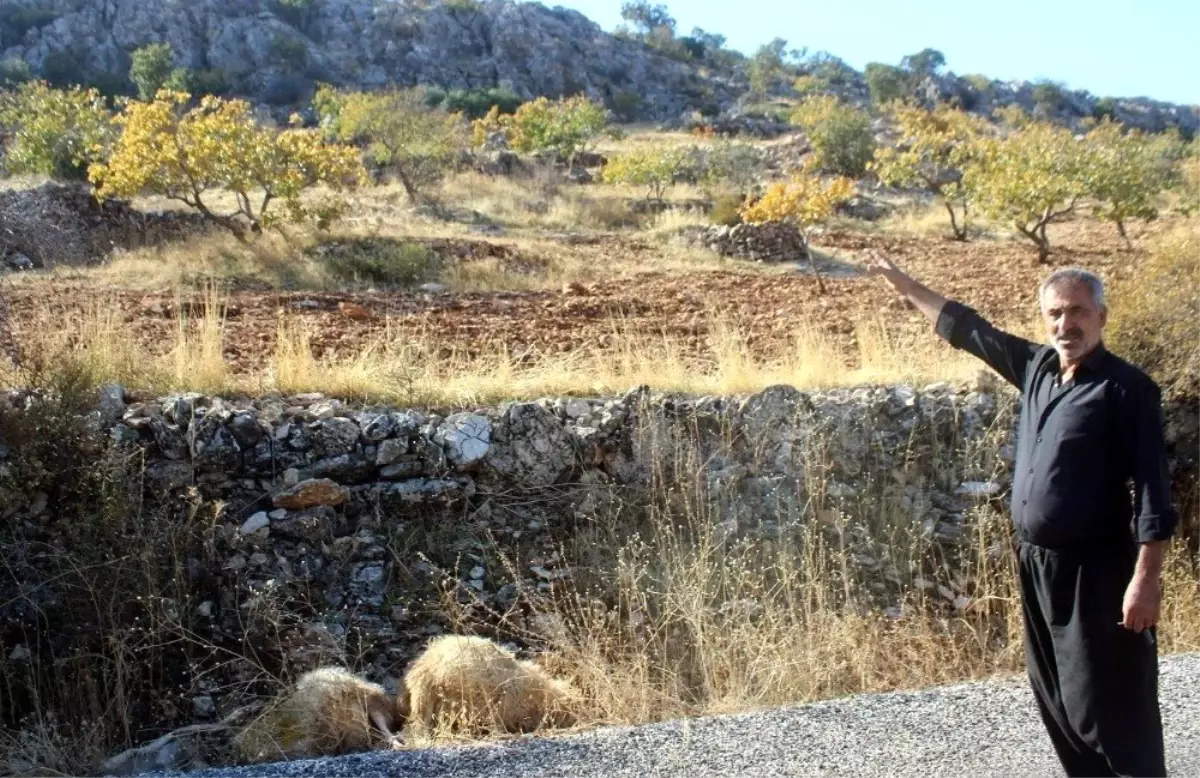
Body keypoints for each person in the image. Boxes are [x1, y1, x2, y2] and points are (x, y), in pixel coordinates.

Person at [865, 256, 1175, 778]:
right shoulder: (1037, 369)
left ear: (1102, 315)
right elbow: (969, 329)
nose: (1065, 324)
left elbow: (1153, 490)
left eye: (1077, 311)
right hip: (1035, 568)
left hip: (1095, 574)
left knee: (1112, 704)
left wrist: (1145, 582)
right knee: (1056, 698)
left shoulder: (1127, 390)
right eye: (1054, 313)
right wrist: (903, 284)